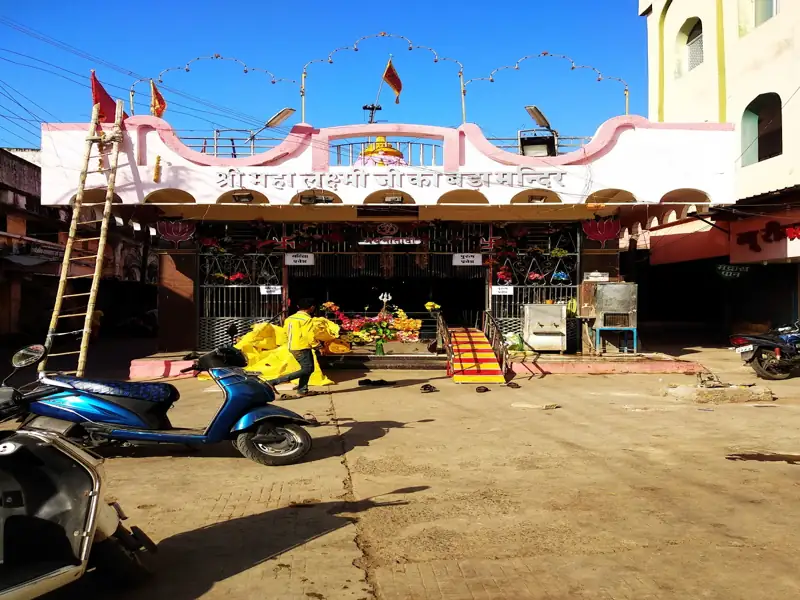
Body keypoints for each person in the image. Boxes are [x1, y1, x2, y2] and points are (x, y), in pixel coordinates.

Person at [268, 298, 319, 396]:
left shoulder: (290, 318)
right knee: (307, 369)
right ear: (312, 308)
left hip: (293, 346)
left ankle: (303, 390)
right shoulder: (307, 319)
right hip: (302, 347)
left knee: (308, 368)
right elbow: (309, 336)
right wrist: (317, 346)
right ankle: (274, 381)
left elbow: (284, 333)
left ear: (298, 307)